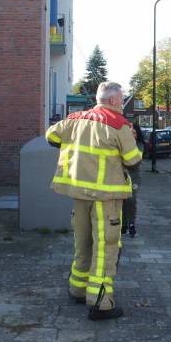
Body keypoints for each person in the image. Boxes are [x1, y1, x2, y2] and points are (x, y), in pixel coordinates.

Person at [45, 82, 141, 321]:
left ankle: (77, 289)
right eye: (120, 99)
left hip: (79, 195)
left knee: (82, 243)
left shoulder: (74, 119)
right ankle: (101, 303)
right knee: (105, 249)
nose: (121, 103)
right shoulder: (119, 125)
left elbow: (51, 136)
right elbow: (133, 160)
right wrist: (132, 139)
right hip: (106, 198)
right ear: (112, 101)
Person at [121, 122, 144, 238]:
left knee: (131, 200)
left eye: (134, 133)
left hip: (134, 177)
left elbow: (134, 161)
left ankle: (131, 223)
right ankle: (123, 224)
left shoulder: (139, 145)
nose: (133, 135)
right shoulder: (122, 144)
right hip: (122, 176)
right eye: (130, 133)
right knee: (123, 200)